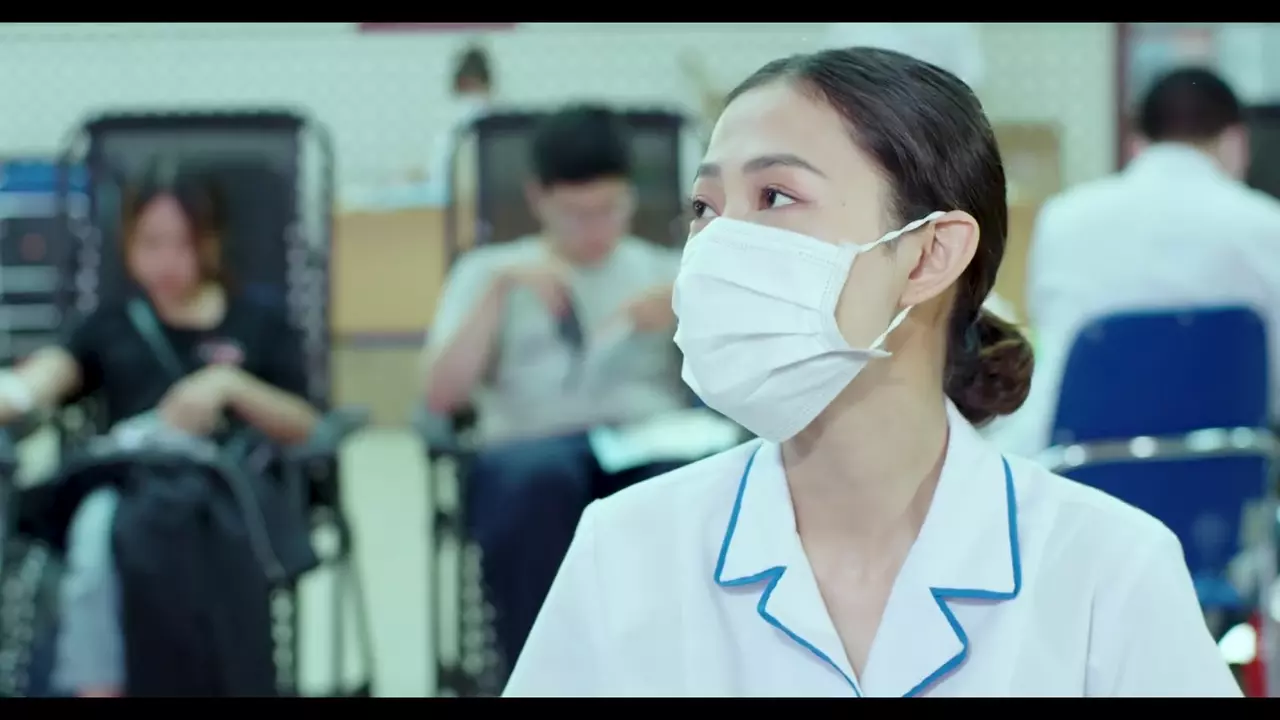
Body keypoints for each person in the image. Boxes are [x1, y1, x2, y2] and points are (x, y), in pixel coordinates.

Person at [503, 48, 1240, 697]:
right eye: (704, 206)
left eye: (776, 196)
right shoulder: (624, 550)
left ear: (928, 256)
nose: (719, 245)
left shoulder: (1107, 570)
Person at [0, 170, 320, 697]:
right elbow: (49, 375)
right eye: (150, 243)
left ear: (210, 242)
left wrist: (229, 384)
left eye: (182, 243)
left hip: (226, 495)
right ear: (128, 244)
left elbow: (305, 423)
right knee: (98, 534)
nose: (165, 260)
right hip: (130, 489)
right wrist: (16, 392)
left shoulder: (259, 325)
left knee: (196, 543)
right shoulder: (111, 324)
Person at [420, 104, 690, 670]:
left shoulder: (671, 274)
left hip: (644, 442)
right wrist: (497, 295)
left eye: (609, 209)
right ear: (537, 198)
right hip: (529, 450)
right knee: (541, 483)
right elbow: (441, 397)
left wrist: (693, 313)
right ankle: (544, 675)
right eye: (575, 214)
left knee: (685, 486)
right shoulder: (490, 272)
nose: (595, 230)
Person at [986, 66, 1280, 458]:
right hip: (1223, 467)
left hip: (1074, 462)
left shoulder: (1066, 217)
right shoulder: (1265, 224)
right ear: (1236, 140)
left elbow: (1049, 336)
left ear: (1136, 143)